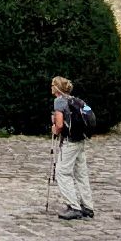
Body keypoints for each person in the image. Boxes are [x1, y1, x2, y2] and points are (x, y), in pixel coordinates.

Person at [50, 76, 95, 220]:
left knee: (62, 172)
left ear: (56, 88)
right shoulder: (78, 101)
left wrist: (54, 129)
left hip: (69, 142)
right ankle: (88, 206)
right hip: (80, 140)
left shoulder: (59, 101)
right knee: (81, 173)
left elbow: (59, 125)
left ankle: (73, 206)